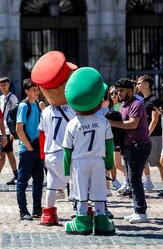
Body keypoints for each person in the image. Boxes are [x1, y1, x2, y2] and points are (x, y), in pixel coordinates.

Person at [63, 67, 115, 235]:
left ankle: (82, 221)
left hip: (79, 161)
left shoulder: (72, 123)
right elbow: (109, 144)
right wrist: (109, 162)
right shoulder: (103, 121)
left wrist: (66, 169)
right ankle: (101, 220)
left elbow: (67, 149)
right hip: (98, 160)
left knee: (80, 190)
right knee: (99, 190)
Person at [32, 51, 77, 226]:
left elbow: (41, 133)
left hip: (50, 153)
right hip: (67, 151)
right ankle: (81, 211)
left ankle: (49, 214)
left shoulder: (45, 111)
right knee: (76, 181)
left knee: (51, 184)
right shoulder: (73, 109)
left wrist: (43, 156)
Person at [108, 78, 151, 223]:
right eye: (117, 90)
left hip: (138, 146)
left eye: (121, 90)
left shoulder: (136, 104)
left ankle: (141, 213)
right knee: (132, 180)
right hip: (128, 146)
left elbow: (133, 124)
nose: (118, 93)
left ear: (131, 91)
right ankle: (138, 210)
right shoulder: (124, 105)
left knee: (135, 180)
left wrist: (110, 123)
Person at [136, 75, 163, 196]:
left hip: (153, 135)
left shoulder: (154, 99)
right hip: (143, 136)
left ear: (147, 84)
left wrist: (146, 135)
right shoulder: (141, 100)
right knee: (142, 162)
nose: (138, 85)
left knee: (158, 163)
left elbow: (155, 120)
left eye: (140, 83)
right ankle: (146, 183)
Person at [15, 79, 43, 220]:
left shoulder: (37, 104)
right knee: (22, 182)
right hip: (27, 149)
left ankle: (37, 209)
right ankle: (23, 211)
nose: (36, 92)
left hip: (37, 147)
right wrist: (29, 147)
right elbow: (19, 129)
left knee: (39, 180)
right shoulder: (23, 106)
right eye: (33, 90)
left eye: (37, 89)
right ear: (26, 91)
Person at [0, 77, 19, 185]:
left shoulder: (13, 98)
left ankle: (0, 176)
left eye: (4, 85)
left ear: (8, 85)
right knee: (5, 153)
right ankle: (14, 175)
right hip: (2, 130)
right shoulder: (0, 98)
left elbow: (16, 115)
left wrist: (13, 132)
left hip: (8, 130)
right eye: (0, 85)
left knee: (7, 153)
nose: (2, 87)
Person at [107, 86, 127, 192]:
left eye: (115, 93)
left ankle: (128, 181)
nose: (114, 95)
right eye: (111, 93)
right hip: (111, 137)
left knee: (119, 164)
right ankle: (119, 181)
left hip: (120, 137)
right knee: (114, 163)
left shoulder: (123, 106)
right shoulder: (109, 107)